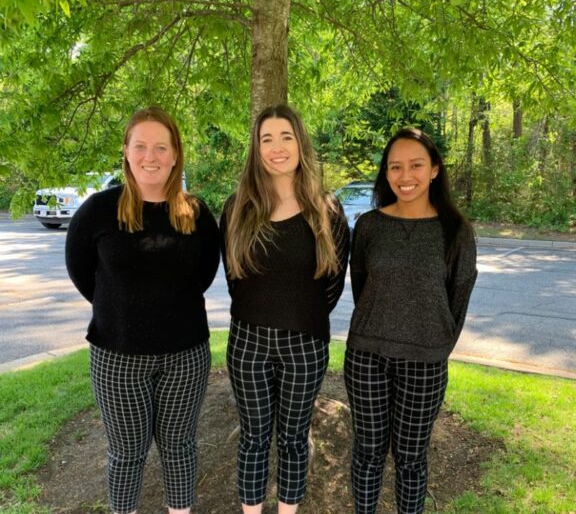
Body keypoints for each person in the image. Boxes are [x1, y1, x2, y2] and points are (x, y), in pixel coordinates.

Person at [65, 106, 220, 514]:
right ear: (127, 152)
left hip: (186, 355)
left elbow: (203, 274)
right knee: (126, 453)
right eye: (140, 146)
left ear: (175, 155)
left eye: (160, 147)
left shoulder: (198, 214)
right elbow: (81, 271)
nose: (150, 156)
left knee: (180, 447)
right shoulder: (98, 209)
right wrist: (117, 308)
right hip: (116, 356)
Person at [220, 104, 350, 514]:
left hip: (305, 344)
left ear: (301, 143)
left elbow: (333, 283)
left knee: (294, 438)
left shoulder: (327, 211)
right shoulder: (236, 207)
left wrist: (299, 316)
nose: (277, 148)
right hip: (248, 344)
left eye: (286, 137)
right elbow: (233, 278)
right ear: (256, 149)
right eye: (266, 139)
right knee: (254, 438)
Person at [344, 128, 478, 514]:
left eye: (416, 165)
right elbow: (362, 286)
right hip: (366, 357)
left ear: (434, 169)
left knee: (411, 459)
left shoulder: (456, 231)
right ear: (386, 174)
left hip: (426, 363)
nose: (406, 176)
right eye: (395, 167)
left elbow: (459, 296)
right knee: (368, 453)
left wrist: (435, 346)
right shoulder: (369, 226)